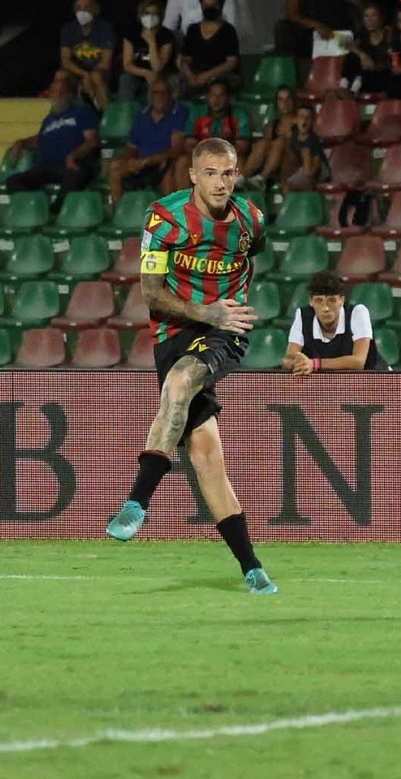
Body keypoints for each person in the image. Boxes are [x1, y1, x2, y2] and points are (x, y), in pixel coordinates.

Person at [106, 137, 277, 596]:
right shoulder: (164, 218)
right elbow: (151, 292)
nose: (221, 183)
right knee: (205, 455)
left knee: (181, 384)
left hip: (225, 329)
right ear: (193, 176)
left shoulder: (251, 220)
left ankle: (137, 503)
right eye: (212, 174)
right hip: (175, 329)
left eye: (229, 173)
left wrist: (229, 313)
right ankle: (252, 567)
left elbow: (248, 262)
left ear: (237, 174)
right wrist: (208, 311)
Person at [5, 71, 100, 209]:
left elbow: (92, 141)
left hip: (69, 164)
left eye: (61, 91)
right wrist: (21, 142)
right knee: (13, 181)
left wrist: (74, 155)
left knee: (76, 175)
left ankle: (56, 212)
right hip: (46, 166)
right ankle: (36, 207)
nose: (57, 95)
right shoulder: (49, 119)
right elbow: (40, 140)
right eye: (54, 92)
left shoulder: (82, 112)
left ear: (69, 94)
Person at [282, 271, 390, 374]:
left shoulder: (358, 313)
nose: (325, 308)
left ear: (342, 300)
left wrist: (314, 364)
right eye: (319, 301)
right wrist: (296, 363)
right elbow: (288, 358)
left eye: (331, 300)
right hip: (336, 383)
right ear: (311, 301)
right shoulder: (302, 315)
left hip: (375, 380)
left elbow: (358, 362)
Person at [108, 78, 189, 204]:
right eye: (155, 93)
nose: (159, 97)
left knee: (171, 169)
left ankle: (173, 217)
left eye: (163, 93)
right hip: (142, 163)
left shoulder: (179, 112)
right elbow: (131, 146)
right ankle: (118, 212)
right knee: (115, 166)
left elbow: (176, 149)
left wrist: (147, 161)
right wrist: (131, 160)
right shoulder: (141, 115)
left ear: (170, 95)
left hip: (163, 163)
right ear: (150, 96)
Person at [173, 78, 250, 187]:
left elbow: (243, 146)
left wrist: (218, 155)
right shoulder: (197, 113)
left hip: (228, 158)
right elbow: (189, 144)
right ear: (208, 97)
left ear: (227, 98)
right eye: (213, 95)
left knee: (240, 160)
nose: (216, 100)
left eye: (221, 96)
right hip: (203, 157)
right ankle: (184, 201)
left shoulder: (238, 114)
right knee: (182, 162)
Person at [60, 0, 114, 111]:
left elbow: (105, 62)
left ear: (95, 9)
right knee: (60, 75)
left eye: (86, 7)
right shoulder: (68, 29)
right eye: (78, 8)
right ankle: (61, 115)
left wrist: (89, 76)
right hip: (78, 73)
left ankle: (106, 115)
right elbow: (65, 61)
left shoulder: (105, 28)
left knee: (96, 76)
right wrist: (84, 75)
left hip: (100, 72)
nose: (82, 11)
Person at [179, 0, 241, 95]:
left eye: (213, 5)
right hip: (196, 74)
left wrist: (207, 75)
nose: (209, 8)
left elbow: (231, 62)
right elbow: (185, 59)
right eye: (206, 5)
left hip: (219, 75)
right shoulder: (192, 30)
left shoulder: (228, 30)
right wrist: (190, 76)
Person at [119, 0, 176, 103]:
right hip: (138, 74)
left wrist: (151, 42)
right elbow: (127, 65)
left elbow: (157, 67)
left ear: (160, 16)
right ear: (141, 15)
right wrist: (146, 73)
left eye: (154, 14)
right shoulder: (132, 34)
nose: (150, 17)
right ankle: (126, 112)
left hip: (161, 75)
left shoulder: (166, 35)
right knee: (125, 79)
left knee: (157, 80)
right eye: (147, 13)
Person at [242, 85, 296, 184]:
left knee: (280, 142)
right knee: (263, 143)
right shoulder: (271, 126)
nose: (285, 103)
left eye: (288, 99)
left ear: (294, 101)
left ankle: (262, 178)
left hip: (290, 164)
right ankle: (242, 177)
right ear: (277, 103)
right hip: (271, 164)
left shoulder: (299, 123)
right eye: (281, 100)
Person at [340, 2, 394, 96]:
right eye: (366, 16)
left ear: (381, 18)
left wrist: (374, 65)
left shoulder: (388, 34)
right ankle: (343, 86)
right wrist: (363, 55)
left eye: (374, 16)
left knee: (366, 74)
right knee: (352, 55)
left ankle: (353, 91)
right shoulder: (362, 34)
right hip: (364, 76)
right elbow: (348, 45)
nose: (369, 20)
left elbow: (390, 61)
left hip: (382, 76)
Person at [275, 0, 362, 59]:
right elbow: (291, 15)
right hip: (308, 31)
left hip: (337, 31)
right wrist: (316, 25)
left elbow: (359, 3)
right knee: (283, 28)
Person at [282, 102, 327, 191]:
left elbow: (312, 169)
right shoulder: (293, 134)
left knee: (287, 189)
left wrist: (306, 157)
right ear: (296, 119)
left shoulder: (312, 140)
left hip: (316, 171)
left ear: (312, 121)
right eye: (301, 116)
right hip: (300, 168)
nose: (304, 120)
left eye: (308, 118)